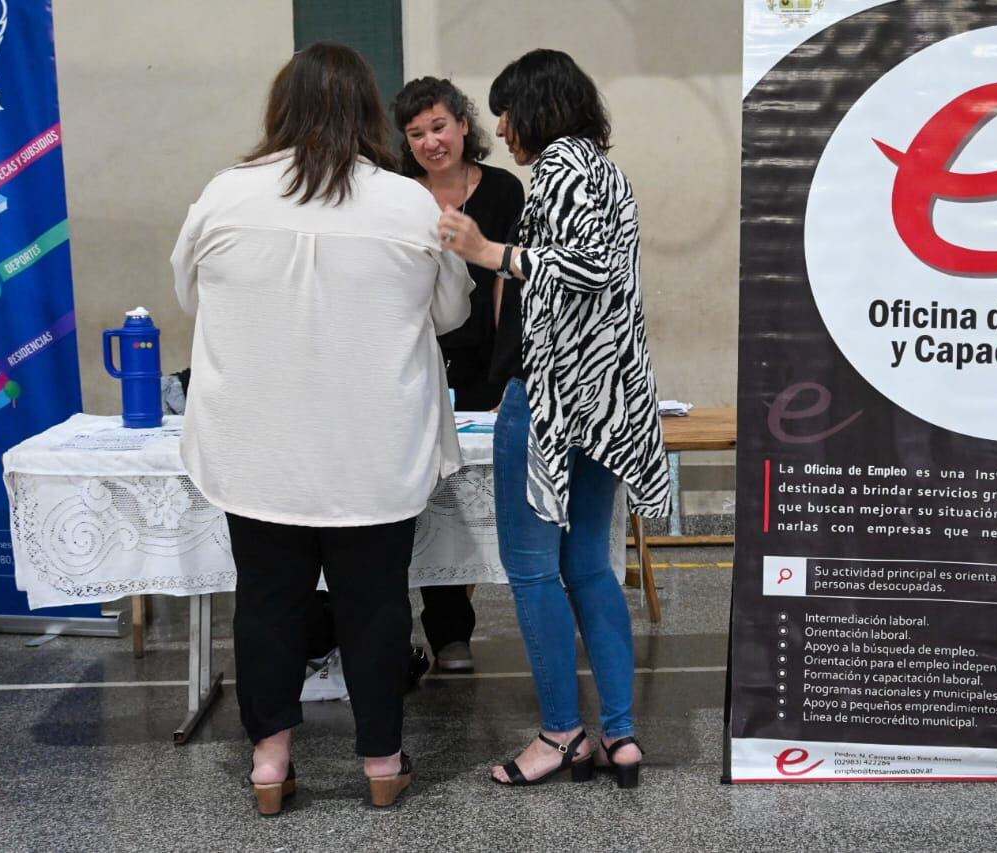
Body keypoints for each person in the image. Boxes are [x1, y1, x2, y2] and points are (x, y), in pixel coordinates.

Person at [171, 42, 472, 815]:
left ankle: (270, 764)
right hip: (374, 446)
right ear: (371, 113)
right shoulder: (408, 202)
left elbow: (190, 293)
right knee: (376, 604)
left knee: (267, 602)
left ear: (281, 109)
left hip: (258, 447)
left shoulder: (225, 194)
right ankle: (380, 760)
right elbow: (451, 312)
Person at [438, 49, 671, 789]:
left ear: (539, 106)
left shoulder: (563, 169)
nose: (501, 127)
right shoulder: (605, 169)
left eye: (507, 111)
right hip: (606, 399)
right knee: (589, 566)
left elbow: (588, 267)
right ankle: (622, 734)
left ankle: (562, 734)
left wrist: (490, 252)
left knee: (534, 571)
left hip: (552, 397)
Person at [391, 76, 525, 674]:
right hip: (411, 361)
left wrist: (504, 375)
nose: (431, 142)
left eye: (439, 127)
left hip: (481, 365)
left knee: (457, 499)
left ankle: (451, 632)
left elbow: (508, 287)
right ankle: (393, 635)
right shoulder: (396, 195)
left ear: (464, 125)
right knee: (406, 498)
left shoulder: (502, 190)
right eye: (416, 134)